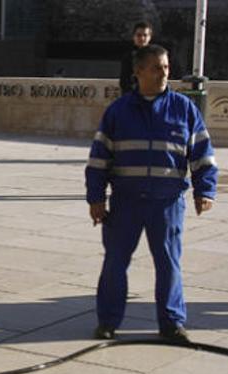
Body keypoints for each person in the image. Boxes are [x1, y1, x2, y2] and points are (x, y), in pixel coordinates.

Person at [87, 44, 218, 342]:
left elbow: (203, 155)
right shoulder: (118, 112)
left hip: (167, 203)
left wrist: (204, 190)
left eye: (167, 67)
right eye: (157, 67)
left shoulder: (184, 109)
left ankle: (171, 323)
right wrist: (96, 198)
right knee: (115, 263)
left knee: (169, 264)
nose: (164, 73)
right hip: (125, 203)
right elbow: (98, 159)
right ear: (138, 72)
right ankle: (107, 321)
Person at [119, 21, 152, 95]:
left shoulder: (156, 56)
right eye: (139, 35)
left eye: (145, 35)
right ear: (134, 37)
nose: (142, 38)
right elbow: (124, 81)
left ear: (150, 37)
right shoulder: (128, 57)